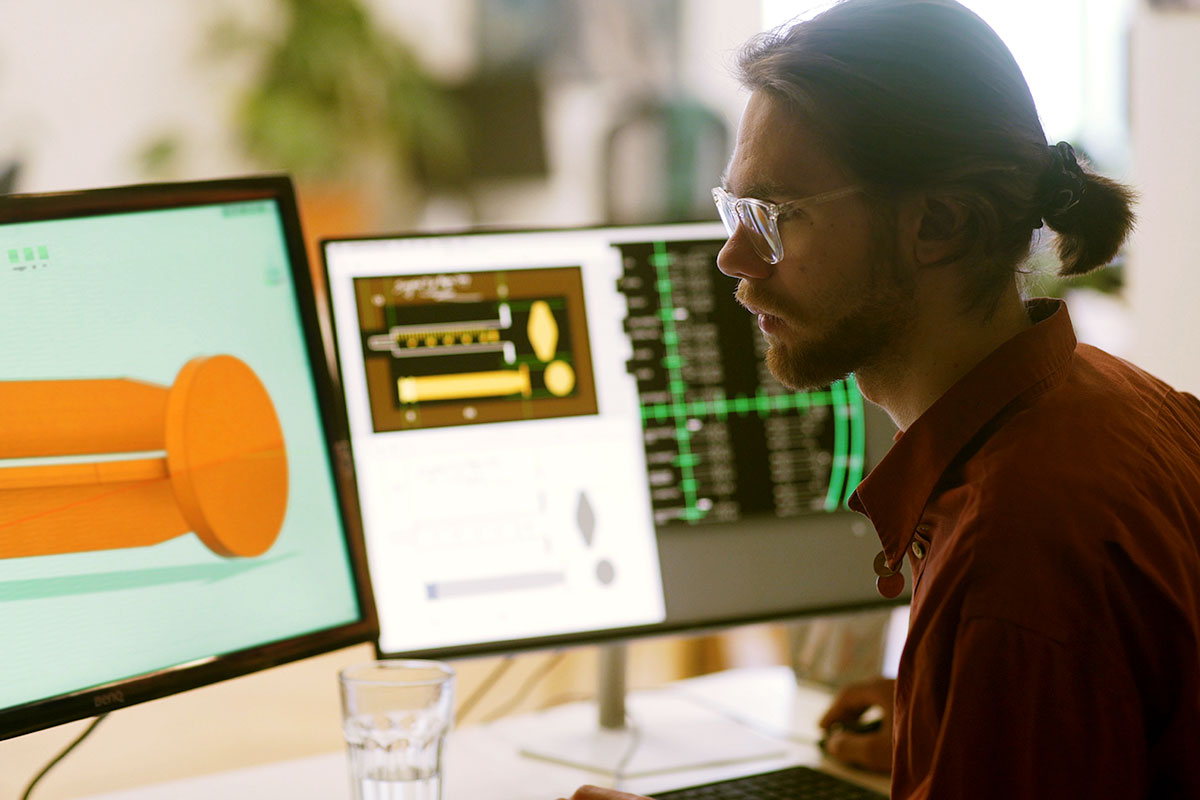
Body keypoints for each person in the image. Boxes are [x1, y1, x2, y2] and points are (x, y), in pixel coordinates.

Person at [559, 0, 1200, 797]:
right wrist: (962, 714)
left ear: (939, 224)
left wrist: (997, 681)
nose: (732, 257)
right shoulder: (1136, 406)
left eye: (773, 217)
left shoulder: (1011, 553)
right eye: (734, 210)